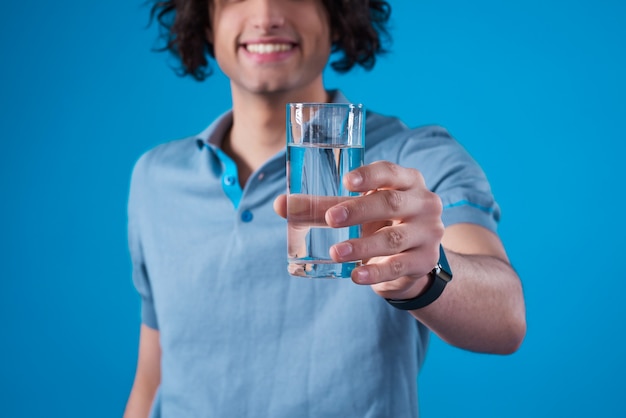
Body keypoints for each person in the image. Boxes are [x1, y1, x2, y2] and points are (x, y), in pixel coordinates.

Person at [124, 0, 527, 417]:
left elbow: (507, 316)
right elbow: (152, 379)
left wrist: (426, 275)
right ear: (205, 20)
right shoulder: (154, 178)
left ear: (339, 15)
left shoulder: (412, 160)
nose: (265, 17)